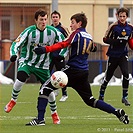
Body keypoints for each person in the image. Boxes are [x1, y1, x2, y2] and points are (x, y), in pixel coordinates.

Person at [26, 12, 129, 126]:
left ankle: (40, 119)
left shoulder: (76, 34)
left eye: (72, 23)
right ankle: (117, 112)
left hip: (72, 70)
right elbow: (94, 48)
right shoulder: (89, 36)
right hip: (84, 72)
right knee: (90, 100)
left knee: (44, 88)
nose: (71, 25)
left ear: (79, 23)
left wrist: (46, 49)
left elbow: (63, 44)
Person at [4, 8, 67, 124]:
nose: (44, 22)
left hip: (43, 66)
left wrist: (62, 55)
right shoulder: (29, 31)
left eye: (45, 19)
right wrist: (13, 54)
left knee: (49, 90)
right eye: (41, 19)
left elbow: (65, 43)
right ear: (35, 20)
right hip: (27, 62)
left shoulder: (53, 31)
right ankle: (13, 100)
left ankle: (54, 113)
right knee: (20, 77)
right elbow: (16, 43)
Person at [98, 7, 133, 106]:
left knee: (126, 74)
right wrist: (116, 42)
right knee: (108, 76)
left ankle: (125, 97)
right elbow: (105, 39)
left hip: (123, 55)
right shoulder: (113, 27)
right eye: (120, 16)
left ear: (127, 17)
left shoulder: (130, 27)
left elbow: (130, 40)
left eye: (124, 16)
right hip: (113, 55)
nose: (122, 18)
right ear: (117, 16)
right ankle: (101, 94)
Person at [50, 10, 70, 102]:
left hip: (59, 55)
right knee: (49, 74)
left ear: (59, 18)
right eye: (53, 17)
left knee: (62, 74)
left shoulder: (63, 29)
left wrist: (62, 54)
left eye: (56, 17)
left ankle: (65, 94)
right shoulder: (48, 28)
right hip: (50, 56)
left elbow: (68, 40)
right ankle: (54, 89)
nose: (55, 19)